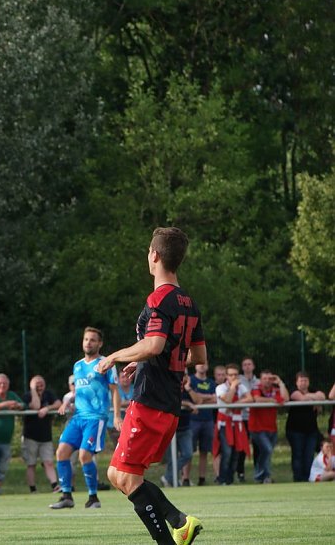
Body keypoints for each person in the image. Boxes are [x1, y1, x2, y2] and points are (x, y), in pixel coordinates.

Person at [95, 226, 207, 545]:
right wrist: (142, 358)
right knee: (120, 475)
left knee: (125, 477)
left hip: (150, 402)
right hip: (168, 402)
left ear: (154, 255)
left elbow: (155, 344)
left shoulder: (160, 297)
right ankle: (178, 523)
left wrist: (116, 355)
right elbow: (197, 355)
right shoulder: (188, 301)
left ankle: (176, 529)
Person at [50, 327, 119, 510]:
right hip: (78, 416)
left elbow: (114, 390)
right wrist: (68, 401)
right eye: (86, 339)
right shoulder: (78, 365)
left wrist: (117, 415)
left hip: (96, 418)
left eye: (93, 340)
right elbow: (79, 390)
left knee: (84, 455)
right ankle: (66, 496)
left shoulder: (106, 363)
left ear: (100, 343)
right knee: (61, 452)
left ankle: (93, 497)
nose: (88, 342)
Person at [22, 374, 61, 493]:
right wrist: (33, 390)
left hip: (46, 437)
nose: (40, 386)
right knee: (31, 464)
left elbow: (58, 403)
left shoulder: (48, 394)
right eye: (36, 384)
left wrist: (47, 408)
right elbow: (36, 405)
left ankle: (55, 485)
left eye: (41, 384)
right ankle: (33, 489)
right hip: (30, 436)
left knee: (48, 462)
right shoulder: (28, 396)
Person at [286, 371, 326, 482]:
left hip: (311, 430)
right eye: (301, 380)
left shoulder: (313, 389)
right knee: (298, 455)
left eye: (305, 380)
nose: (303, 383)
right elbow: (301, 398)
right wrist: (314, 398)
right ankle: (298, 478)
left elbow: (322, 396)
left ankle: (308, 477)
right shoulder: (293, 391)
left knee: (309, 456)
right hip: (295, 430)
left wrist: (311, 397)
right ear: (297, 382)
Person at [249, 370, 288, 483]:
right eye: (264, 378)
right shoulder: (256, 388)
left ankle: (262, 477)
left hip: (271, 428)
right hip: (257, 428)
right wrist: (273, 400)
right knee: (267, 449)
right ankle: (262, 475)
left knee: (266, 452)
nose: (267, 381)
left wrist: (280, 383)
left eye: (269, 379)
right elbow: (257, 399)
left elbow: (285, 398)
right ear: (260, 380)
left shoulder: (275, 389)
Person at [161, 374, 195, 487]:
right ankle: (170, 479)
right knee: (171, 458)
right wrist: (188, 404)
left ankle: (168, 477)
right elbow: (171, 401)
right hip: (171, 429)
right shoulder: (169, 387)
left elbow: (198, 401)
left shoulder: (189, 389)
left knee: (188, 454)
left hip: (185, 428)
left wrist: (189, 389)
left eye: (185, 377)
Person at [185, 362, 216, 486]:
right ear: (195, 366)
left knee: (205, 451)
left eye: (205, 364)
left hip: (208, 420)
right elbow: (192, 398)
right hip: (193, 420)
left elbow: (215, 399)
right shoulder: (190, 380)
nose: (202, 366)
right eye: (199, 363)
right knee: (189, 451)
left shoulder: (211, 382)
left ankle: (202, 478)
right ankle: (185, 478)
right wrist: (206, 397)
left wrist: (200, 397)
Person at [236, 357, 259, 482]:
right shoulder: (238, 381)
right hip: (243, 418)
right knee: (242, 447)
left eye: (249, 364)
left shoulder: (259, 381)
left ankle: (258, 473)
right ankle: (240, 473)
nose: (247, 367)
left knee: (257, 447)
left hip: (256, 418)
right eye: (245, 364)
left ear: (253, 366)